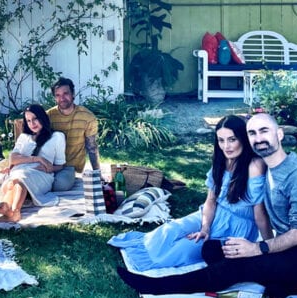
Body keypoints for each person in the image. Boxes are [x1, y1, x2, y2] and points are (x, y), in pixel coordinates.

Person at [116, 112, 297, 298]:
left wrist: (258, 247)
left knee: (237, 267)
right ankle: (281, 284)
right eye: (252, 133)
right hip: (291, 252)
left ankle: (154, 286)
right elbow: (254, 208)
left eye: (264, 131)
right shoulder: (267, 168)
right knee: (212, 249)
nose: (258, 138)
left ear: (279, 134)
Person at [109, 115, 272, 270]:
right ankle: (138, 247)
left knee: (182, 249)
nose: (226, 146)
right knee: (171, 230)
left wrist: (269, 248)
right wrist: (205, 227)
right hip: (213, 214)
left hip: (235, 228)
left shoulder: (254, 166)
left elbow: (260, 215)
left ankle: (147, 260)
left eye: (232, 140)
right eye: (221, 140)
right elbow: (210, 201)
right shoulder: (222, 161)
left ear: (243, 139)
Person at [0, 104, 66, 222]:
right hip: (19, 171)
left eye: (35, 119)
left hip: (41, 174)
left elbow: (60, 165)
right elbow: (13, 159)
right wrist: (37, 158)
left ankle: (9, 208)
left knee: (20, 178)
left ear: (42, 117)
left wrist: (50, 168)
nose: (32, 124)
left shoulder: (57, 136)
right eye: (28, 121)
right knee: (15, 180)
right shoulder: (24, 137)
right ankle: (13, 211)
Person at [47, 77, 102, 189]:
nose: (62, 98)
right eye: (58, 95)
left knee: (60, 185)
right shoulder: (48, 116)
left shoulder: (87, 117)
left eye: (65, 93)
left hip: (69, 166)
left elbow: (92, 147)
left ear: (73, 94)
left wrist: (98, 173)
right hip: (48, 163)